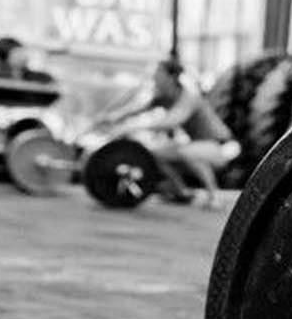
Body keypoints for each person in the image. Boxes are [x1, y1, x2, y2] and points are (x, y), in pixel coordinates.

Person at [88, 57, 240, 208]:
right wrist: (110, 119)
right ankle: (181, 192)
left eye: (158, 73)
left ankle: (215, 197)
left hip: (224, 147)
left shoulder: (189, 97)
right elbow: (134, 110)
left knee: (187, 152)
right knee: (152, 154)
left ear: (171, 78)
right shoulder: (161, 97)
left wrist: (131, 128)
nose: (154, 77)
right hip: (199, 145)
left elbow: (171, 121)